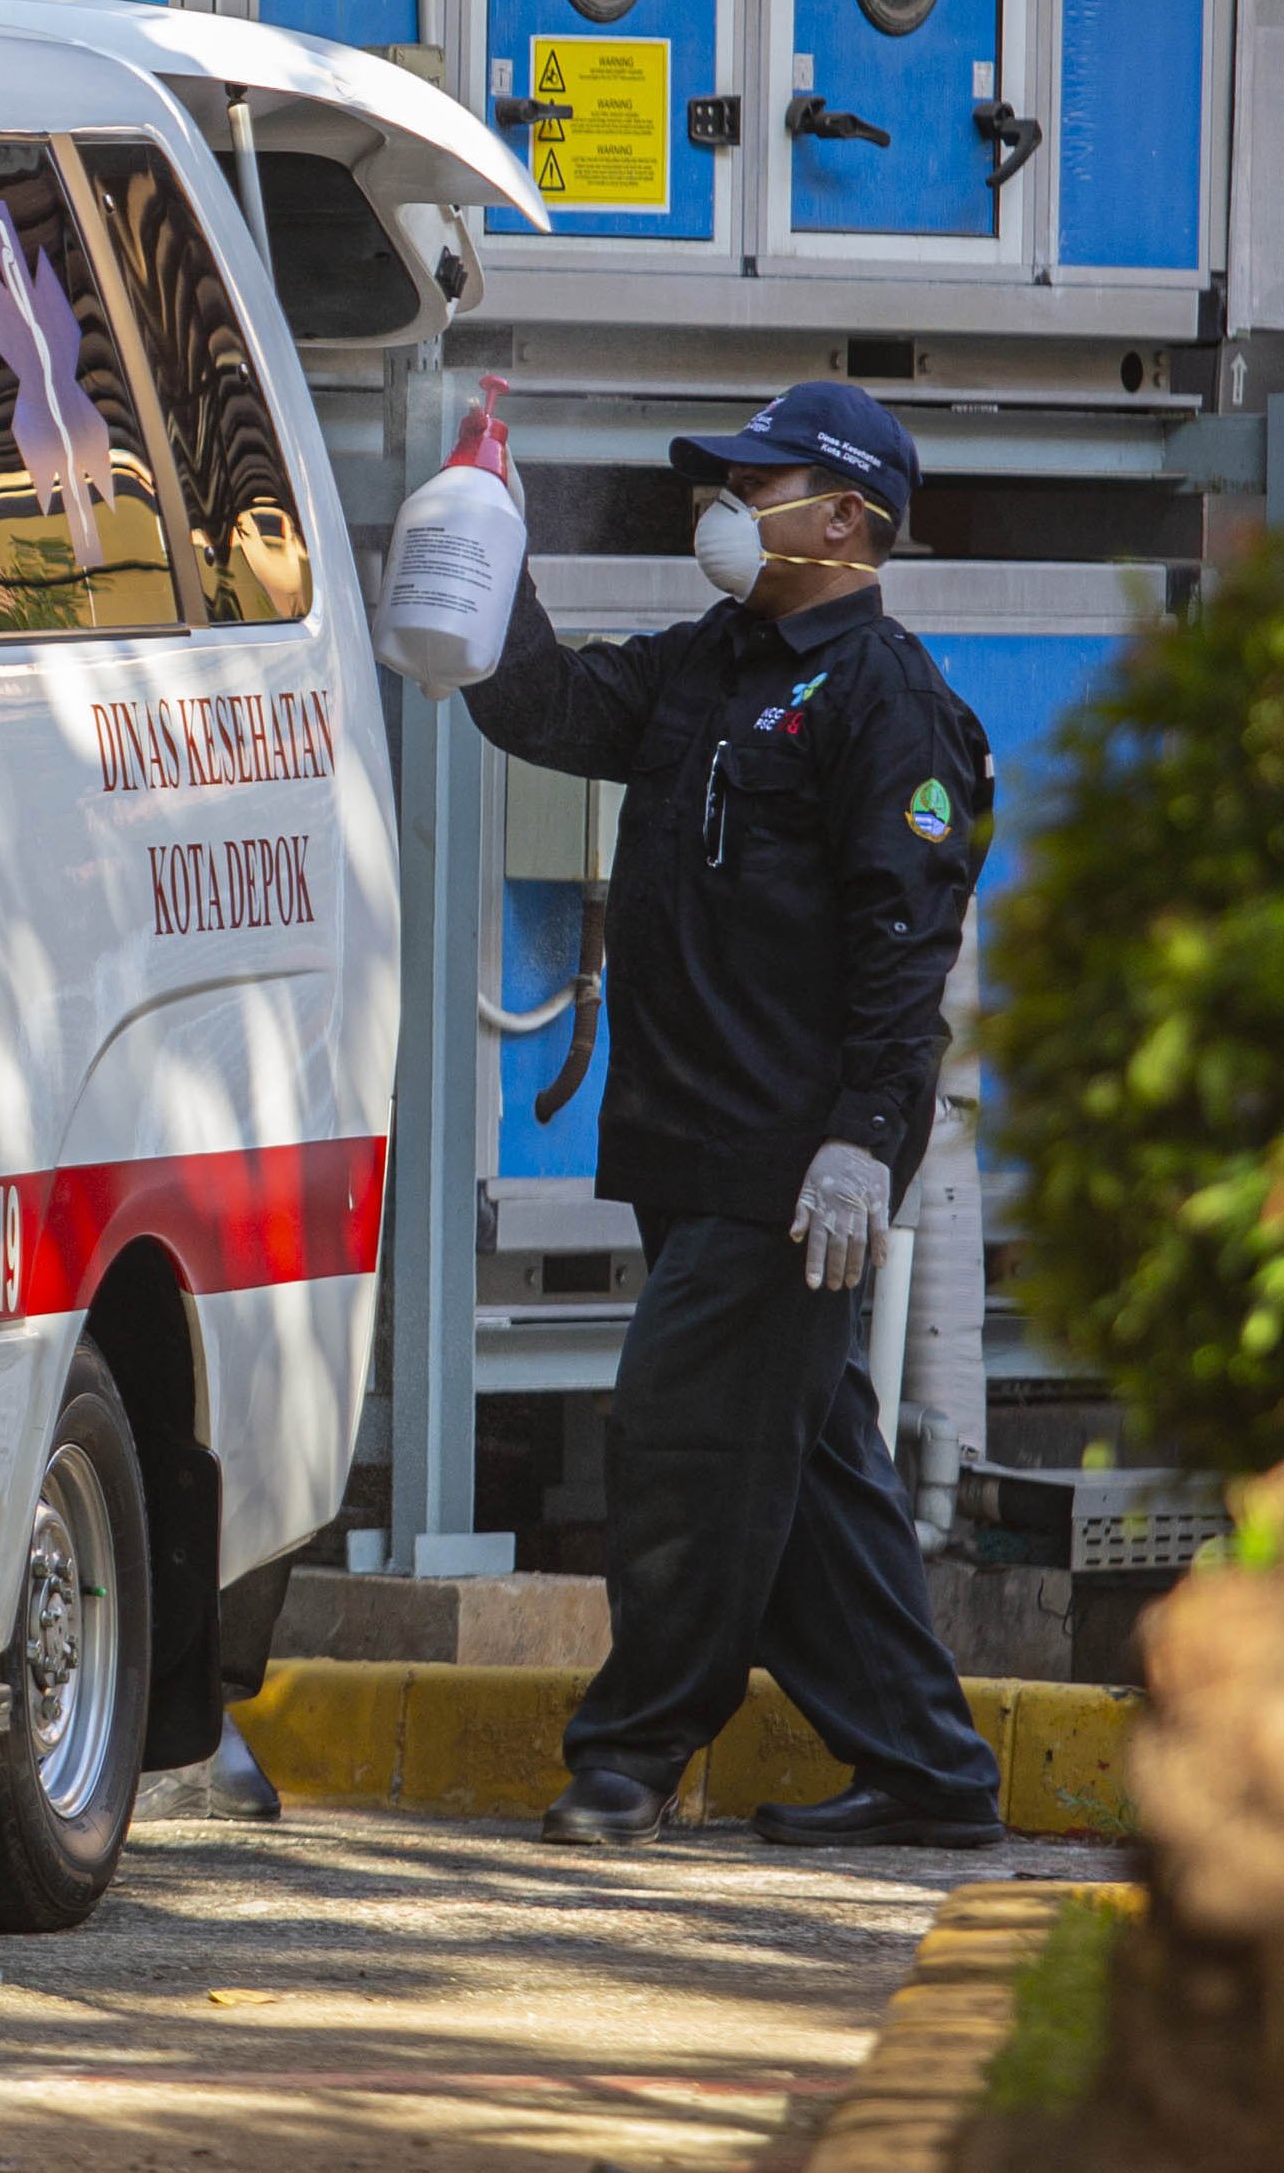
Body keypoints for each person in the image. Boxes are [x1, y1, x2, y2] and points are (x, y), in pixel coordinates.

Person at [459, 381, 1004, 1850]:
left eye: (755, 483)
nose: (725, 502)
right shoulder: (712, 662)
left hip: (788, 1162)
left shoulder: (886, 700)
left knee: (688, 1440)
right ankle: (931, 1771)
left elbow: (907, 946)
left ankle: (631, 1756)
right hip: (687, 1142)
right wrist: (485, 548)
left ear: (842, 519)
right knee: (807, 1469)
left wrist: (856, 1140)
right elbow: (544, 705)